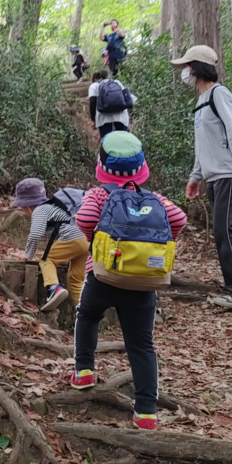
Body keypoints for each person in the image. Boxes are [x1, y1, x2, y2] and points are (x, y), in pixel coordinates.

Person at [71, 131, 187, 430]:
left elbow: (83, 219)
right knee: (141, 344)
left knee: (87, 316)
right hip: (143, 283)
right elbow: (179, 220)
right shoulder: (155, 199)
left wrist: (98, 245)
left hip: (102, 277)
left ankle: (84, 370)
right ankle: (147, 410)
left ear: (102, 166)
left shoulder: (98, 195)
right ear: (141, 168)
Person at [171, 44, 232, 309]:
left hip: (230, 174)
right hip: (214, 177)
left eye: (188, 67)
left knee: (226, 231)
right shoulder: (202, 101)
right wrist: (195, 175)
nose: (185, 72)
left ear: (197, 68)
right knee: (222, 233)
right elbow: (204, 143)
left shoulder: (219, 94)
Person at [11, 178, 88, 311]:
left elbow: (35, 234)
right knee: (76, 279)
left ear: (27, 206)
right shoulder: (54, 208)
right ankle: (86, 313)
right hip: (87, 240)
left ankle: (53, 288)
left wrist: (28, 255)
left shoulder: (40, 210)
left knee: (47, 260)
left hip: (74, 238)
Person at [88, 70, 136, 138]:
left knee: (106, 141)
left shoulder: (94, 86)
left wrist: (94, 120)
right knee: (125, 139)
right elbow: (128, 98)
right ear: (109, 75)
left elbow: (92, 102)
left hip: (103, 119)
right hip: (121, 117)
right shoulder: (117, 82)